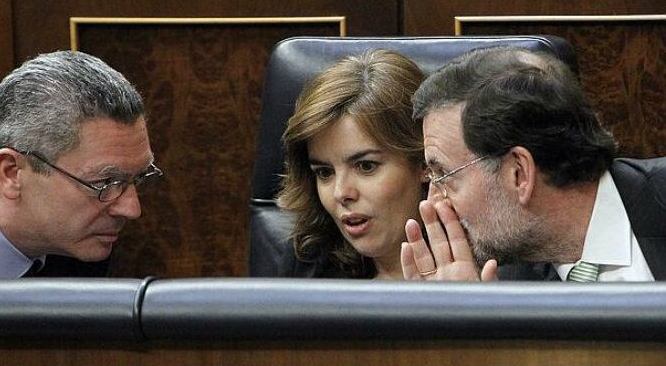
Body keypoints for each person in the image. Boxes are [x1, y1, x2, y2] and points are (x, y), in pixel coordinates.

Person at [401, 45, 666, 282]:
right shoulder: (499, 282)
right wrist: (473, 327)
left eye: (444, 176)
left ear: (519, 173)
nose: (434, 202)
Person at [0, 50, 162, 279]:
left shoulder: (86, 245)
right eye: (105, 182)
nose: (132, 210)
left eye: (139, 179)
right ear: (11, 172)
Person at [277, 49, 428, 279]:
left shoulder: (488, 269)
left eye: (366, 166)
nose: (341, 193)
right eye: (325, 172)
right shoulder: (308, 262)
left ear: (425, 163)